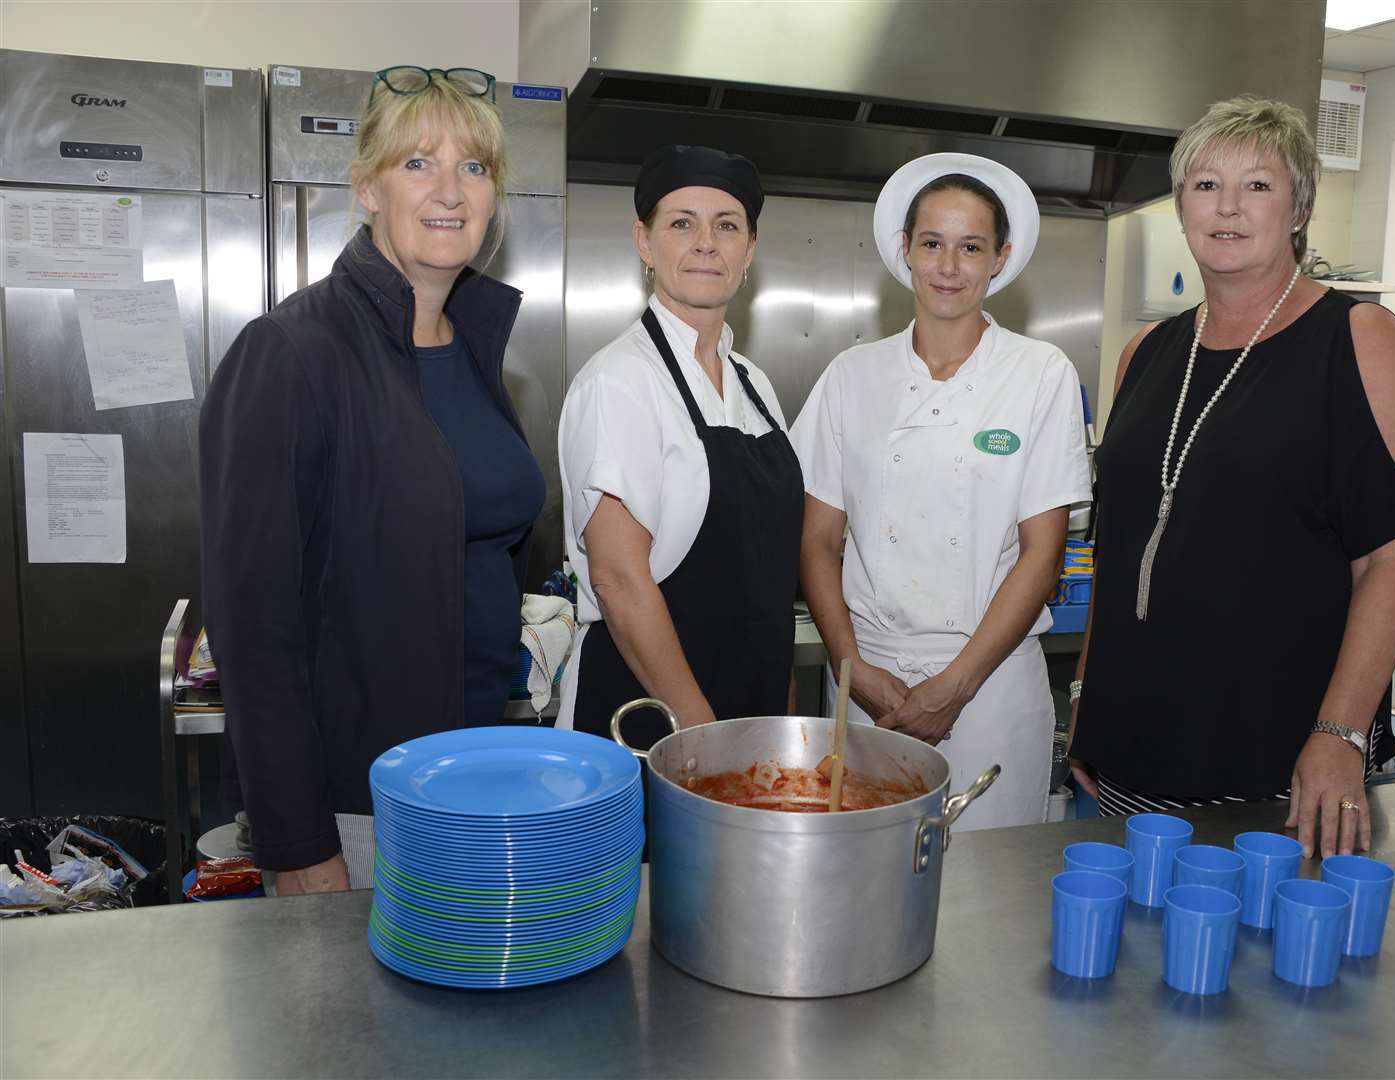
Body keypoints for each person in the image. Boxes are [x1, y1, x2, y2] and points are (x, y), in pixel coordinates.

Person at [1066, 97, 1395, 857]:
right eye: (1204, 186)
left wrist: (1339, 733)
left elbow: (1387, 560)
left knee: (1274, 967)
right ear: (1179, 208)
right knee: (1130, 964)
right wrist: (1085, 701)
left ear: (1299, 207)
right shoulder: (1144, 352)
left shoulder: (1358, 339)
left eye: (1258, 186)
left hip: (1285, 759)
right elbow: (1118, 552)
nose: (1228, 207)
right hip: (1134, 751)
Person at [200, 66, 545, 893]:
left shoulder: (474, 346)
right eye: (417, 163)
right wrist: (299, 844)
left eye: (475, 167)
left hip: (472, 771)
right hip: (358, 803)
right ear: (366, 188)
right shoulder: (291, 351)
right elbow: (254, 630)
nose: (450, 191)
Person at [792, 153, 1090, 831]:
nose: (949, 267)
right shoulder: (851, 375)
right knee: (861, 887)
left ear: (999, 258)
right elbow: (818, 540)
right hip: (866, 680)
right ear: (906, 251)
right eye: (932, 244)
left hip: (987, 687)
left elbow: (1041, 555)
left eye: (970, 247)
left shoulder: (1038, 374)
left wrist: (953, 687)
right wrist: (851, 667)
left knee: (989, 900)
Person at [556, 145, 800, 745]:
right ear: (645, 241)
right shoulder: (621, 381)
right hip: (650, 717)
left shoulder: (755, 384)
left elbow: (768, 585)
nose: (705, 243)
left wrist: (784, 721)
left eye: (726, 226)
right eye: (681, 224)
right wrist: (700, 734)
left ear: (750, 249)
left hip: (752, 707)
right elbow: (618, 580)